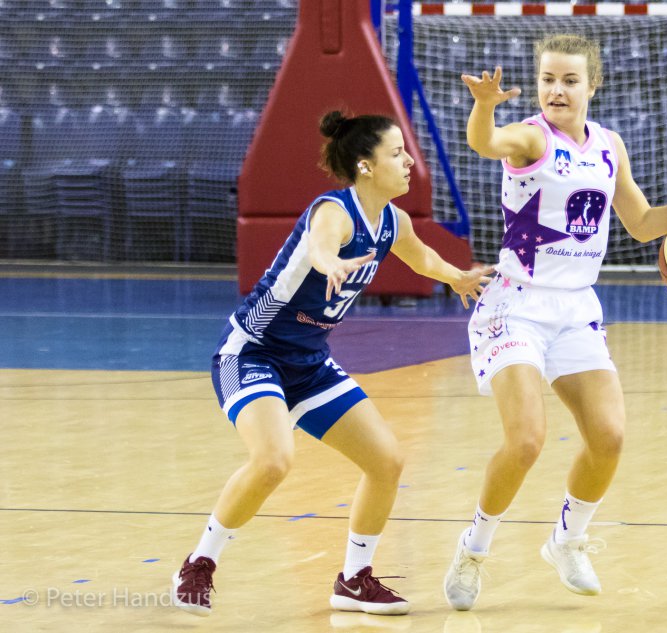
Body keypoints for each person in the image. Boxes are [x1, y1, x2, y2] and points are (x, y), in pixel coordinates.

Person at [443, 34, 667, 610]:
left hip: (576, 308)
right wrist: (484, 106)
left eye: (570, 80)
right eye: (548, 79)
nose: (557, 90)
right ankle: (473, 549)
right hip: (517, 304)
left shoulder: (608, 145)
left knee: (609, 436)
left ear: (592, 86)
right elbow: (485, 142)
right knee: (526, 440)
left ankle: (568, 541)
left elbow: (642, 222)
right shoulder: (530, 137)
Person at [171, 110, 493, 617]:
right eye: (396, 153)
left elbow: (422, 258)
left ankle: (354, 580)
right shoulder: (334, 212)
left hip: (309, 363)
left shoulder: (394, 221)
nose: (409, 162)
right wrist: (330, 262)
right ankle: (199, 563)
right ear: (366, 165)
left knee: (386, 461)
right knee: (273, 459)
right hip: (251, 352)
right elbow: (321, 246)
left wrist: (458, 277)